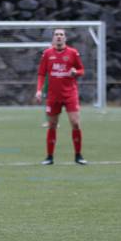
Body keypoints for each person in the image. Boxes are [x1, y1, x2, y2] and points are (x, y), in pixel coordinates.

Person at [35, 28, 87, 165]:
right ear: (53, 38)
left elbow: (82, 70)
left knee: (75, 123)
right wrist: (39, 90)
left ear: (65, 38)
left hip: (70, 94)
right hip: (53, 95)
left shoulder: (73, 53)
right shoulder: (47, 54)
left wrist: (76, 72)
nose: (59, 37)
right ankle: (49, 157)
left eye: (61, 35)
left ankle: (78, 155)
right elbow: (41, 73)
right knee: (52, 125)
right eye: (56, 35)